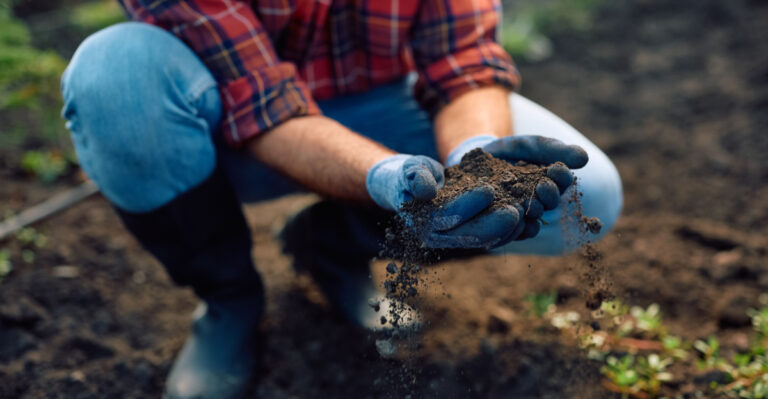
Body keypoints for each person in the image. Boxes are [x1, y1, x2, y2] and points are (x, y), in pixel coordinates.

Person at [60, 1, 622, 398]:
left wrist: (476, 157)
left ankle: (331, 243)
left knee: (586, 191)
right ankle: (229, 302)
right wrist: (390, 180)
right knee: (115, 74)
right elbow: (263, 105)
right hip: (218, 127)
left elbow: (464, 62)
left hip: (376, 104)